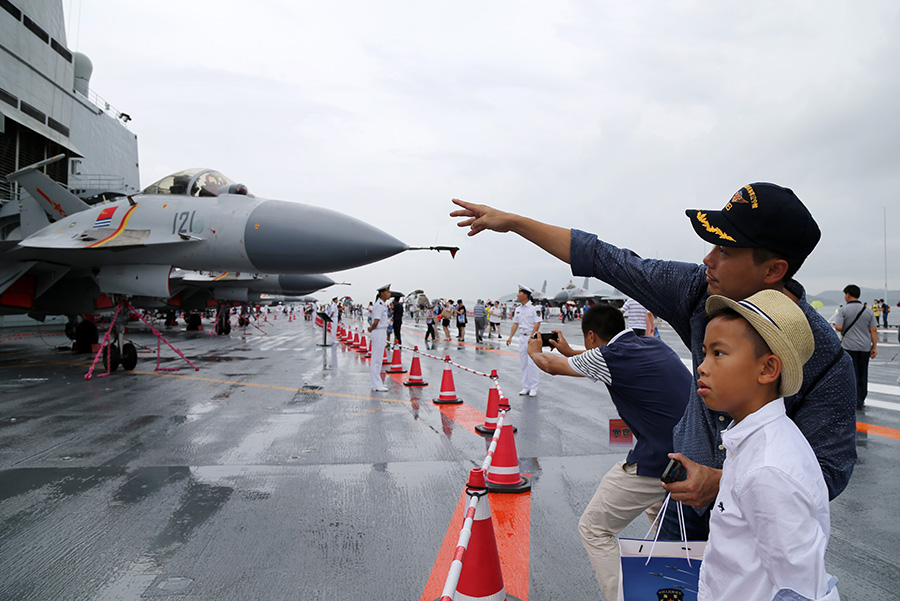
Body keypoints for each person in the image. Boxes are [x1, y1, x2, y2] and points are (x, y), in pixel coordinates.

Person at [451, 183, 856, 542]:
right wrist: (514, 222)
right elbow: (608, 259)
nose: (708, 260)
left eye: (725, 251)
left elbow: (828, 470)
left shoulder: (825, 358)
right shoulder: (697, 291)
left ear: (774, 270)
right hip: (681, 509)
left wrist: (722, 482)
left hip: (757, 531)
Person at [526, 303, 691, 601]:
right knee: (660, 516)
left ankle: (621, 596)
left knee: (593, 528)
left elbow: (549, 365)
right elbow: (598, 361)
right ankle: (669, 583)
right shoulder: (652, 345)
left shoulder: (612, 357)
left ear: (591, 336)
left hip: (660, 460)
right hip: (691, 453)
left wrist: (534, 351)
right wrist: (568, 351)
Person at [696, 289, 839, 601]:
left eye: (718, 353)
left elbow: (800, 588)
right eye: (705, 352)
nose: (702, 366)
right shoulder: (752, 442)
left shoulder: (767, 468)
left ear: (767, 369)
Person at [833, 284, 877, 410]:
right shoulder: (868, 310)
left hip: (849, 346)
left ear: (847, 295)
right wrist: (874, 347)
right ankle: (861, 399)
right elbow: (873, 330)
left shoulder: (843, 310)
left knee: (851, 374)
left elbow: (838, 327)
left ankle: (852, 399)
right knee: (863, 373)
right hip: (865, 347)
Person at [507, 285, 542, 396]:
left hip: (532, 338)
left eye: (519, 293)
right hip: (522, 338)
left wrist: (532, 336)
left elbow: (537, 323)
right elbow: (515, 324)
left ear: (525, 295)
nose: (517, 295)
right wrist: (510, 337)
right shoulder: (518, 309)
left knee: (532, 364)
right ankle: (525, 387)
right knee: (524, 364)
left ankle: (533, 387)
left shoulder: (534, 308)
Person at [367, 284, 391, 392]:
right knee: (376, 359)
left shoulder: (382, 305)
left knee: (379, 358)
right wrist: (371, 328)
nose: (389, 294)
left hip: (381, 331)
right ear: (382, 293)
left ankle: (377, 383)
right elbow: (376, 321)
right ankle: (376, 385)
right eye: (387, 292)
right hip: (378, 331)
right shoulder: (378, 305)